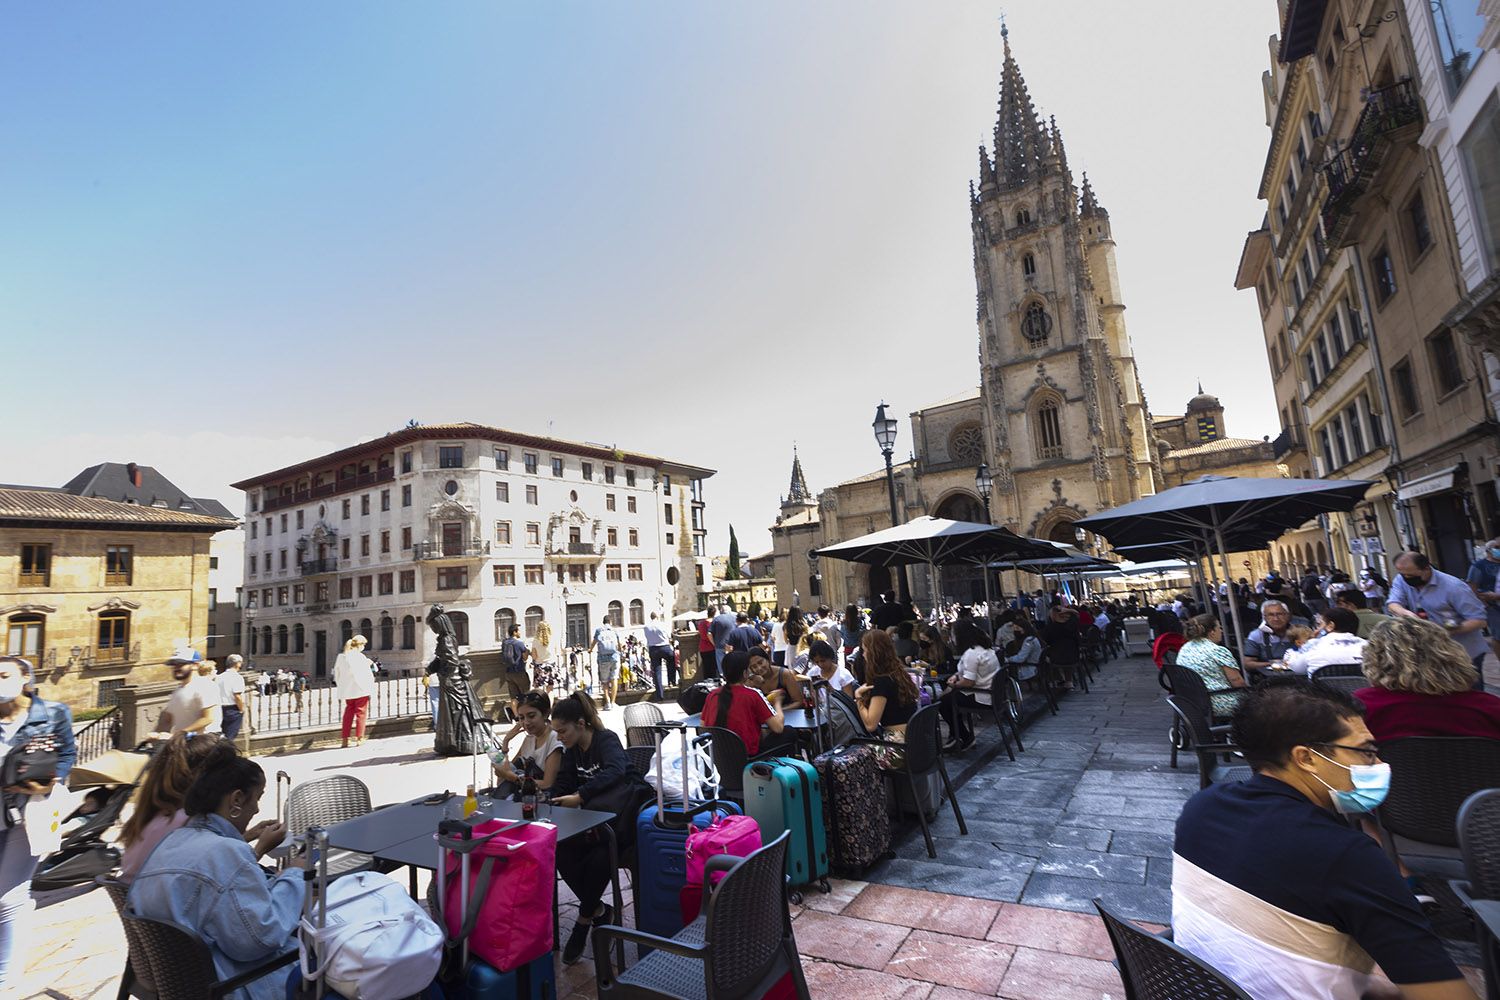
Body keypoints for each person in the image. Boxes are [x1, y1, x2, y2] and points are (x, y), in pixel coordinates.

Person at [1172, 678, 1473, 1000]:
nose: (1380, 765)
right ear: (1307, 758)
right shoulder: (1347, 855)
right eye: (1366, 752)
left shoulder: (1201, 807)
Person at [128, 744, 306, 1000]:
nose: (256, 809)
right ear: (236, 800)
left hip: (182, 983)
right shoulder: (225, 851)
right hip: (231, 984)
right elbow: (262, 938)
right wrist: (294, 874)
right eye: (257, 797)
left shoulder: (173, 841)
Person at [549, 691, 641, 963]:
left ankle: (583, 919)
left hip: (621, 825)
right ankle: (600, 911)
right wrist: (551, 797)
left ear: (580, 723)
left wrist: (581, 796)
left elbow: (616, 771)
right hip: (592, 825)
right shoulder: (571, 751)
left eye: (562, 730)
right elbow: (564, 783)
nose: (560, 737)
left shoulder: (606, 739)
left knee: (601, 856)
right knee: (560, 850)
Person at [0, 656, 75, 989]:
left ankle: (5, 979)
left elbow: (67, 753)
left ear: (25, 678)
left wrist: (53, 779)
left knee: (9, 897)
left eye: (4, 675)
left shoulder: (54, 713)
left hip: (30, 811)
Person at [118, 734, 283, 881]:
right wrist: (261, 849)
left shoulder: (160, 813)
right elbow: (225, 875)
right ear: (205, 776)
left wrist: (248, 835)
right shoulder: (187, 822)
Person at [1355, 616, 1500, 741]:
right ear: (1451, 654)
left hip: (1397, 772)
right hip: (1477, 772)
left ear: (1374, 658)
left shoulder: (1360, 707)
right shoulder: (1488, 707)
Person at [1388, 550, 1489, 686]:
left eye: (1411, 574)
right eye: (1402, 574)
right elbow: (1393, 603)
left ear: (1426, 569)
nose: (1406, 577)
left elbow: (1479, 620)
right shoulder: (1402, 580)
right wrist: (1406, 613)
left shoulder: (1454, 587)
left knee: (1469, 692)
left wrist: (1445, 631)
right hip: (1429, 652)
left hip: (1462, 651)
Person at [1174, 614, 1249, 719]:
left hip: (1193, 701)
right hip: (1219, 703)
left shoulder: (1185, 649)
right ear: (1212, 632)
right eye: (1219, 628)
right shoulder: (1217, 651)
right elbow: (1237, 682)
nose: (1221, 631)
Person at [942, 620, 1002, 752]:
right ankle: (956, 735)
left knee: (944, 702)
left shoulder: (972, 654)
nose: (952, 638)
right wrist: (957, 676)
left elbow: (969, 682)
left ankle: (964, 736)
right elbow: (968, 672)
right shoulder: (986, 649)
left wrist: (954, 684)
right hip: (993, 692)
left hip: (982, 695)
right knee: (948, 699)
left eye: (953, 634)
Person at [490, 691, 563, 797]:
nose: (526, 722)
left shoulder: (554, 740)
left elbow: (547, 784)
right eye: (521, 718)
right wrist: (506, 742)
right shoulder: (529, 738)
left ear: (545, 714)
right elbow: (507, 771)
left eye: (531, 716)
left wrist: (511, 777)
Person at [855, 630, 919, 734]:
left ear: (874, 653)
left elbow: (870, 725)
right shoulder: (899, 673)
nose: (863, 655)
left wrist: (858, 697)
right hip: (914, 735)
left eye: (865, 650)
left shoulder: (882, 682)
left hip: (897, 740)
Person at [149, 648, 221, 740]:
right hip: (183, 742)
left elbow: (207, 718)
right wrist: (155, 735)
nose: (176, 668)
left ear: (195, 665)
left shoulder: (205, 685)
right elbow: (167, 719)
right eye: (174, 665)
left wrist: (180, 734)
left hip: (205, 742)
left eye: (181, 664)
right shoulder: (177, 691)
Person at [1284, 607, 1368, 676]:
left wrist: (1290, 653)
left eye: (1320, 624)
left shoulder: (1312, 645)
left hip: (1321, 695)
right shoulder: (1368, 646)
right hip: (1360, 695)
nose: (1317, 629)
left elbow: (1296, 668)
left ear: (1330, 626)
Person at [333, 634, 377, 748]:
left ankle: (345, 739)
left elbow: (337, 674)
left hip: (348, 691)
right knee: (361, 714)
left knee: (348, 714)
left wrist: (342, 686)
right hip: (360, 690)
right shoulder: (360, 657)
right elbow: (365, 674)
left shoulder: (342, 657)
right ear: (360, 645)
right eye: (364, 645)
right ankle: (359, 738)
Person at [1241, 601, 1310, 670]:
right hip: (1269, 677)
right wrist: (1275, 664)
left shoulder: (1300, 632)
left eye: (1280, 614)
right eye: (1271, 615)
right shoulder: (1256, 635)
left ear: (1288, 615)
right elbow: (1247, 664)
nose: (1276, 619)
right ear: (1264, 617)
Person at [1467, 536, 1500, 667]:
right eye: (1497, 548)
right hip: (1493, 607)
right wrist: (1484, 604)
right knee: (1498, 635)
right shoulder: (1479, 566)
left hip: (1495, 599)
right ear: (1488, 550)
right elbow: (1472, 588)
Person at [744, 646, 805, 712]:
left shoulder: (784, 674)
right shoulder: (751, 682)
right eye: (754, 666)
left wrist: (776, 712)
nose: (759, 668)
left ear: (767, 659)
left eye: (760, 663)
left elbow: (799, 702)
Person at [642, 612, 675, 702]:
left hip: (653, 648)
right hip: (664, 646)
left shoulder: (646, 627)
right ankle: (671, 681)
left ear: (650, 617)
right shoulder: (662, 624)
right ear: (657, 617)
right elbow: (668, 635)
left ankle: (659, 695)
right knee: (672, 660)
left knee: (657, 671)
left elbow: (647, 638)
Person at [589, 617, 622, 709]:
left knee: (605, 681)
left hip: (603, 659)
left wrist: (590, 649)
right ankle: (613, 702)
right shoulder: (614, 630)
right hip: (614, 657)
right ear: (610, 621)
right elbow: (619, 645)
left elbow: (594, 642)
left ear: (603, 622)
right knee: (614, 679)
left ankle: (607, 702)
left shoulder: (599, 630)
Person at [501, 623, 532, 714]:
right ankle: (527, 714)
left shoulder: (505, 643)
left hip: (508, 673)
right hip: (519, 672)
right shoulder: (519, 643)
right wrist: (527, 651)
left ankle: (517, 717)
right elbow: (524, 657)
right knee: (526, 694)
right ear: (515, 632)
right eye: (519, 631)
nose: (520, 633)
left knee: (513, 697)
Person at [215, 655, 247, 742]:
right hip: (232, 708)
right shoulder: (237, 677)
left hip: (220, 708)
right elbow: (237, 696)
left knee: (221, 736)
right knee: (230, 737)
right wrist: (241, 709)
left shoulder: (219, 677)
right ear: (237, 664)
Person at [708, 604, 738, 675]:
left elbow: (709, 634)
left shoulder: (716, 619)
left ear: (721, 611)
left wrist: (714, 644)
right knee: (734, 666)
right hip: (733, 646)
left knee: (722, 668)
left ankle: (724, 682)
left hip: (720, 646)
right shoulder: (735, 618)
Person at [696, 614, 718, 681]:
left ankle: (707, 682)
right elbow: (710, 635)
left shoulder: (701, 623)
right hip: (711, 647)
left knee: (706, 667)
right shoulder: (712, 623)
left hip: (703, 647)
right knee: (714, 668)